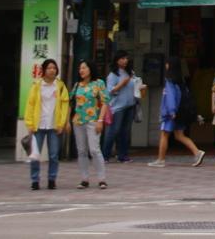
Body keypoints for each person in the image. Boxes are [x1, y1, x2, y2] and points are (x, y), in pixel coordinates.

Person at [150, 58, 206, 168]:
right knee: (179, 135)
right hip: (180, 113)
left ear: (169, 66)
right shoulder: (181, 81)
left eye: (167, 63)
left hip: (171, 114)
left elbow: (170, 97)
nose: (165, 65)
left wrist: (171, 111)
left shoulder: (169, 81)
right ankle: (197, 152)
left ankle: (161, 159)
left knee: (164, 134)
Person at [24, 58, 69, 191]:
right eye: (49, 68)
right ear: (44, 70)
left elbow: (65, 105)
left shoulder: (60, 86)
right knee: (35, 155)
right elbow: (30, 104)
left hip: (54, 126)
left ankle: (52, 180)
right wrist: (29, 123)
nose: (52, 70)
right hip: (38, 125)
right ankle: (35, 180)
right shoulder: (37, 86)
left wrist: (61, 123)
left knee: (54, 155)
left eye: (54, 68)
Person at [71, 59, 107, 189]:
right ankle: (84, 179)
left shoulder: (99, 83)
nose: (81, 70)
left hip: (93, 120)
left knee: (94, 150)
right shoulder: (77, 85)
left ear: (90, 69)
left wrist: (100, 120)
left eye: (84, 68)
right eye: (80, 68)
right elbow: (70, 102)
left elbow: (105, 102)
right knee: (81, 151)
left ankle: (102, 179)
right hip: (78, 121)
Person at [102, 51, 136, 162]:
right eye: (122, 58)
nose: (125, 60)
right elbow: (110, 91)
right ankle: (105, 155)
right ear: (117, 60)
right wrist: (122, 84)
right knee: (114, 130)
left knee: (125, 132)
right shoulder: (113, 75)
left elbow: (135, 84)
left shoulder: (131, 73)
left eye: (126, 58)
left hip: (130, 105)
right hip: (117, 107)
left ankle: (123, 155)